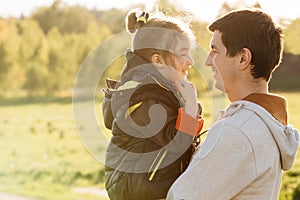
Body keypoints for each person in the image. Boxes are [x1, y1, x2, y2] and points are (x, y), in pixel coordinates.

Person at [167, 8, 299, 199]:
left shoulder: (238, 131)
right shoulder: (261, 123)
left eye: (215, 50)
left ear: (243, 58)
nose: (207, 61)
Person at [102, 9, 204, 200]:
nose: (190, 61)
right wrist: (190, 105)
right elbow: (177, 144)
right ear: (157, 61)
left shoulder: (158, 91)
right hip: (141, 192)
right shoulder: (143, 98)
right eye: (183, 54)